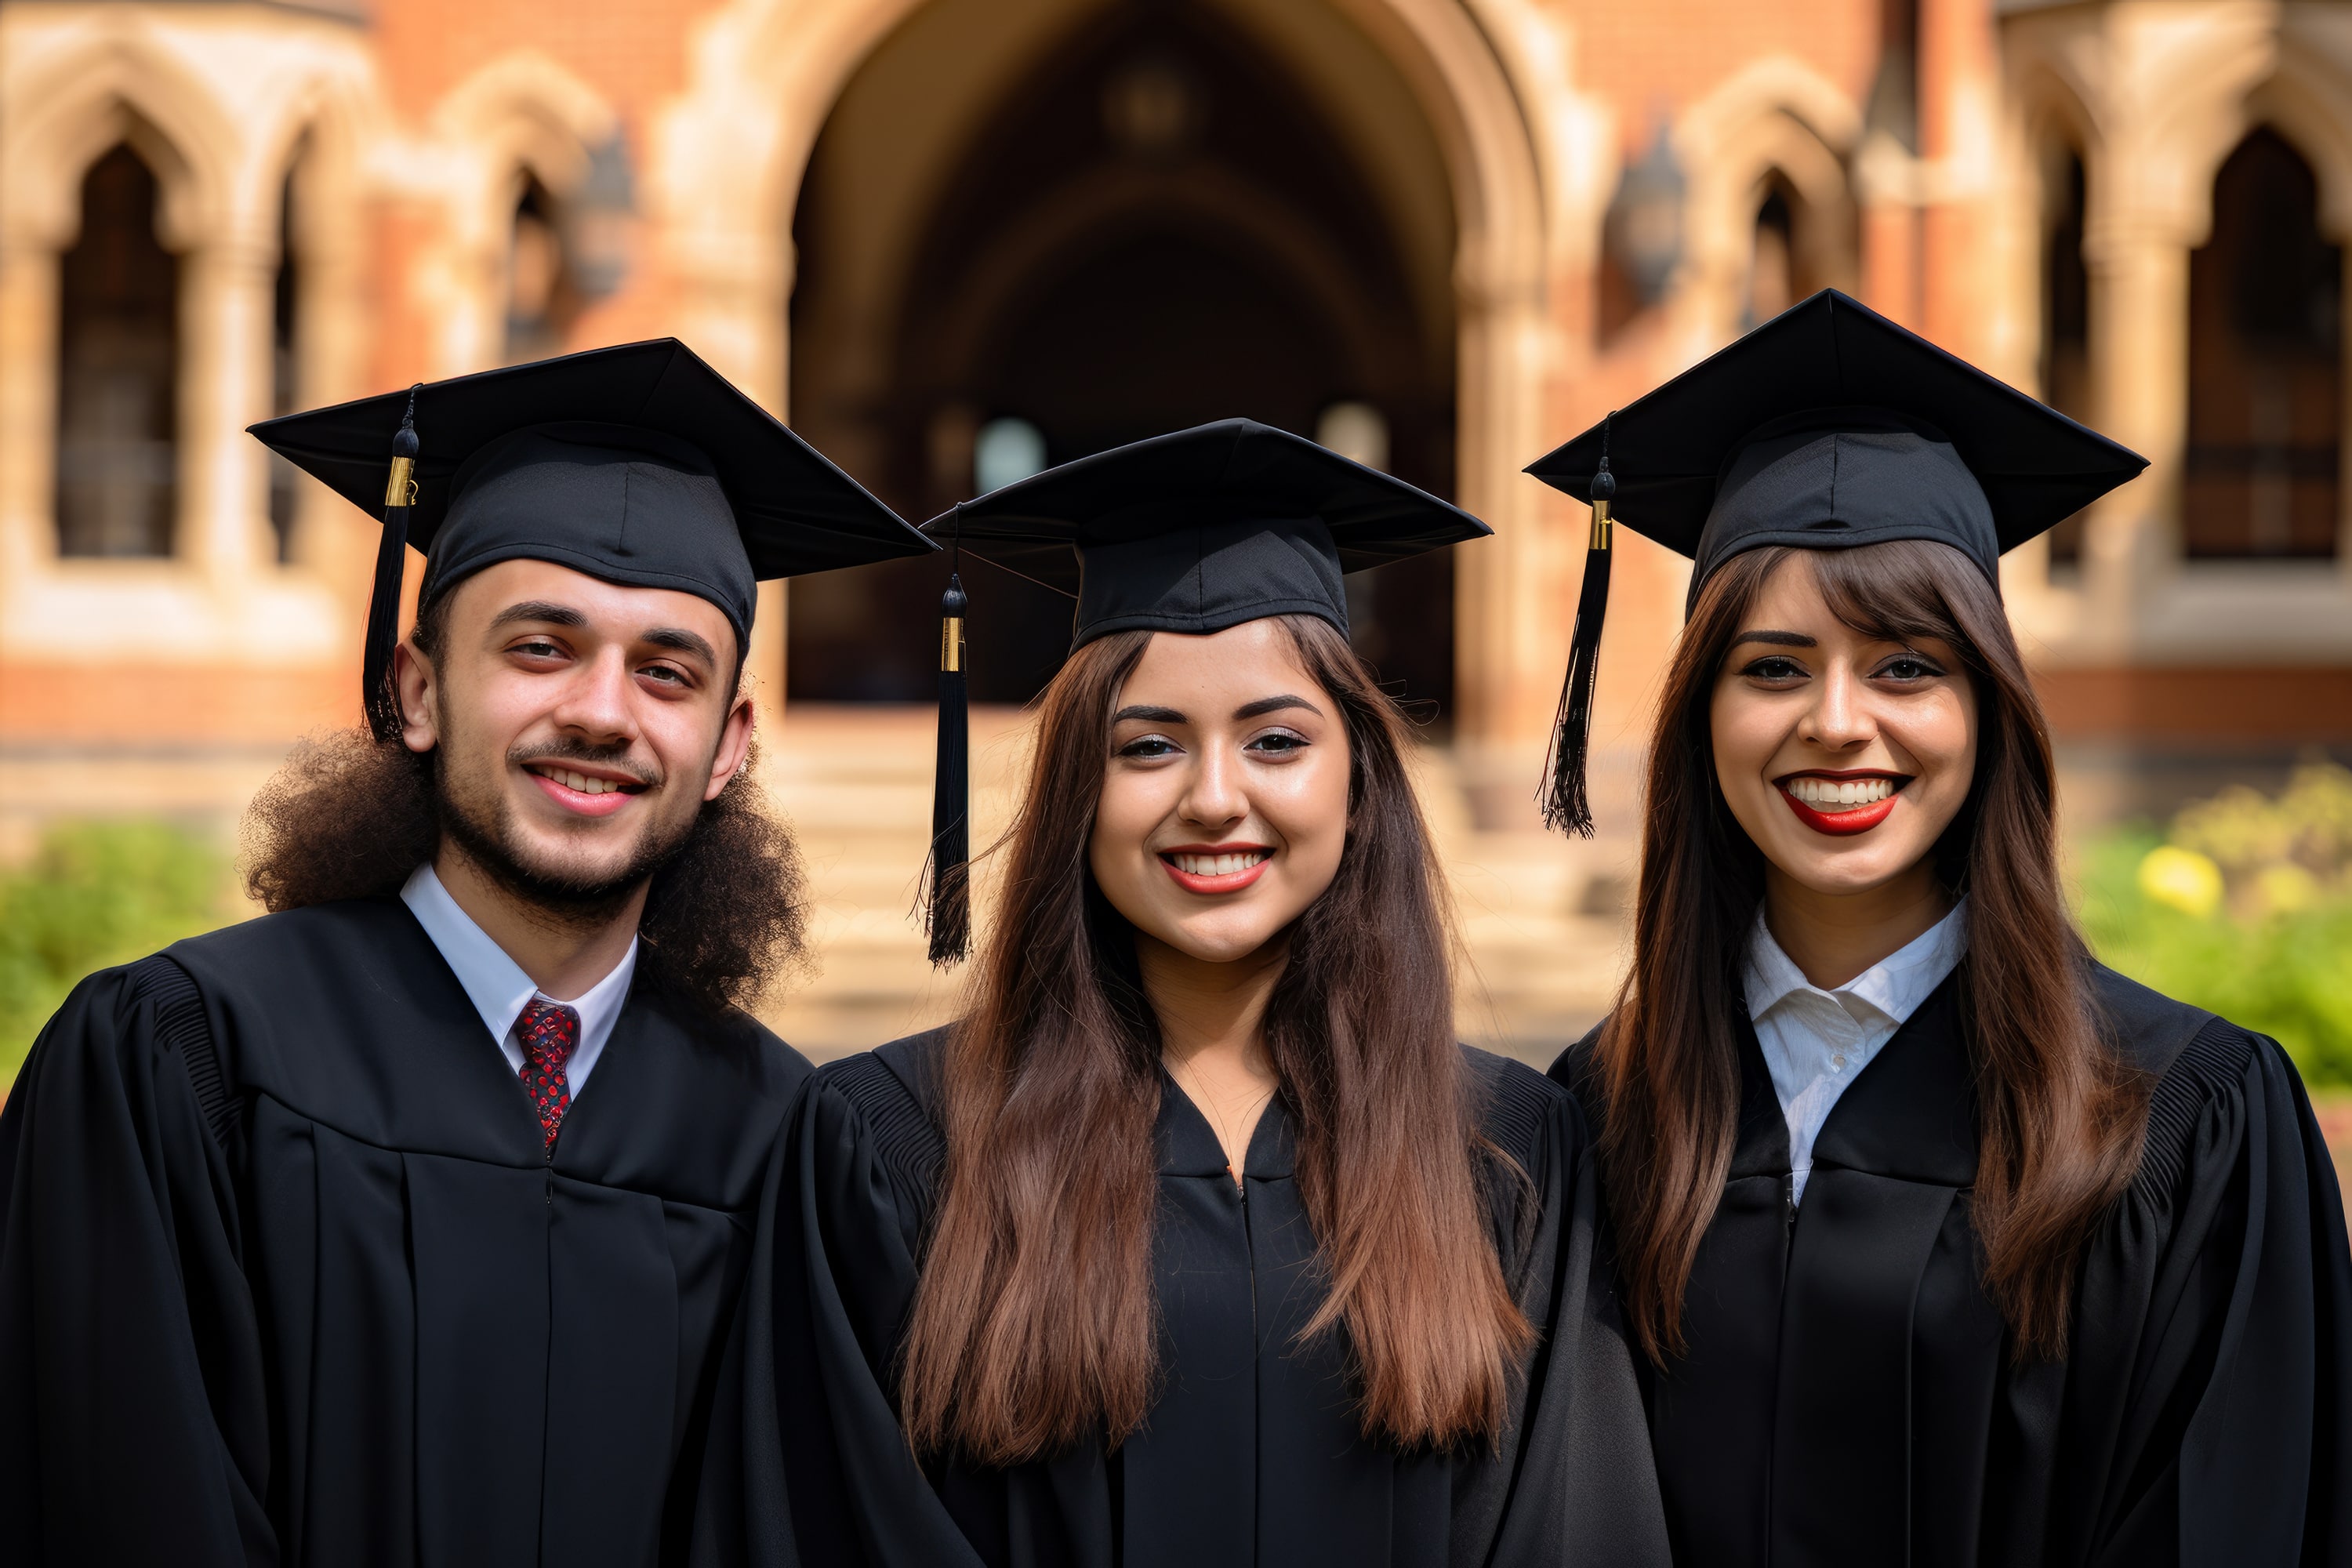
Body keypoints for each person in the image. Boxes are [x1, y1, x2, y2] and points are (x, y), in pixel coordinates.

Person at [0, 339, 935, 1566]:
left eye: (667, 671)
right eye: (541, 648)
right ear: (419, 690)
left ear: (726, 748)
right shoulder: (186, 1065)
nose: (602, 712)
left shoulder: (783, 1143)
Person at [701, 421, 1671, 1568]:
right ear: (1078, 793)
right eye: (1149, 747)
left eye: (1275, 741)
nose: (1215, 798)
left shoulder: (1508, 1156)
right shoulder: (898, 1144)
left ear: (1359, 785)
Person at [1527, 289, 2352, 1566]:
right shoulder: (1597, 1118)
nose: (1840, 723)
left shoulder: (2181, 1125)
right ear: (1702, 716)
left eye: (1908, 665)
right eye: (1774, 667)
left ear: (1989, 709)